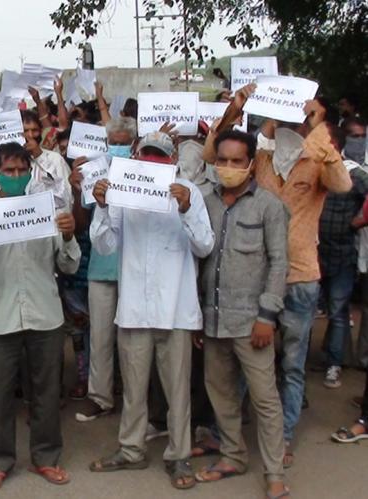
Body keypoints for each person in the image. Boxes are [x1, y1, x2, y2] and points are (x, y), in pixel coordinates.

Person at [206, 86, 352, 466]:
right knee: (247, 360)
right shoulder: (264, 160)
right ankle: (232, 438)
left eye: (302, 114)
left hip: (300, 276)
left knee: (291, 363)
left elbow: (344, 185)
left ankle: (283, 437)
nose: (296, 119)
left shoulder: (318, 160)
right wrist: (260, 112)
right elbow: (214, 156)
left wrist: (319, 128)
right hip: (258, 278)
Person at [89, 131, 214, 490]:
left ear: (172, 156)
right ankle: (131, 450)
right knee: (133, 388)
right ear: (135, 154)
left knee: (177, 390)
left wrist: (187, 209)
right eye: (147, 153)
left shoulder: (188, 191)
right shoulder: (121, 191)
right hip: (134, 308)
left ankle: (179, 456)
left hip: (176, 309)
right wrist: (101, 206)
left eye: (159, 155)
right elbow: (104, 244)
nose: (152, 160)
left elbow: (205, 246)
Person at [0, 142, 81, 492]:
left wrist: (69, 236)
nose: (15, 176)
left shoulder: (48, 210)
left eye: (20, 170)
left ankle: (46, 457)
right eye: (7, 171)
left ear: (31, 172)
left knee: (45, 392)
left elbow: (67, 265)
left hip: (44, 316)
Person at [194, 130, 290, 499]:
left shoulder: (268, 205)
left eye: (237, 161)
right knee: (220, 394)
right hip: (213, 318)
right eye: (222, 160)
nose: (229, 168)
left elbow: (280, 263)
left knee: (265, 400)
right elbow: (198, 261)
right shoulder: (204, 202)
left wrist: (268, 315)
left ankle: (275, 472)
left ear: (251, 164)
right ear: (214, 162)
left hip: (253, 322)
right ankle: (233, 454)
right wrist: (197, 317)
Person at [75, 117, 135, 422]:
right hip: (101, 268)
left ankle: (135, 398)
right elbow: (83, 222)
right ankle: (99, 397)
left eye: (125, 143)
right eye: (116, 143)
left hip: (134, 269)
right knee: (99, 336)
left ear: (133, 144)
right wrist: (77, 188)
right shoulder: (93, 170)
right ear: (107, 143)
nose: (120, 148)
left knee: (133, 338)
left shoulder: (143, 174)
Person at [317, 125, 368, 388]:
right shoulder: (310, 169)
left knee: (337, 311)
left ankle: (334, 364)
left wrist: (356, 223)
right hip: (311, 254)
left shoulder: (356, 175)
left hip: (342, 255)